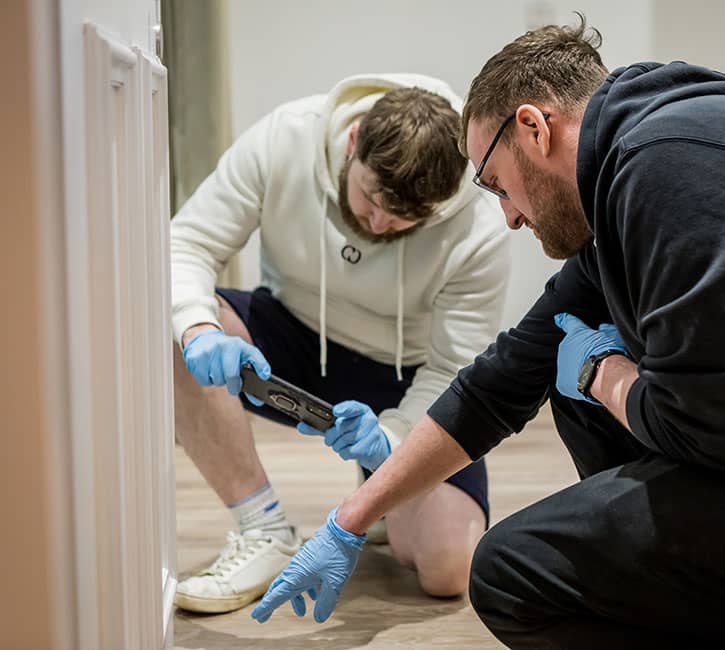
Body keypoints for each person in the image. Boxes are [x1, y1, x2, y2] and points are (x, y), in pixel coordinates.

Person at [250, 19, 725, 649]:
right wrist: (349, 520)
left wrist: (602, 374)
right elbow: (499, 384)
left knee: (512, 572)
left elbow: (710, 431)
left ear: (534, 128)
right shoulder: (628, 188)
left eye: (496, 183)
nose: (508, 217)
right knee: (570, 381)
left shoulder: (676, 165)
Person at [170, 74, 510, 613]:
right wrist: (199, 330)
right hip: (293, 335)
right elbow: (187, 243)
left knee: (448, 567)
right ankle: (263, 529)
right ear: (354, 142)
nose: (379, 223)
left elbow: (453, 368)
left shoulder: (478, 222)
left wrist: (392, 441)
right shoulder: (285, 137)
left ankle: (379, 494)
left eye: (406, 219)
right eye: (371, 197)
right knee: (174, 326)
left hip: (406, 375)